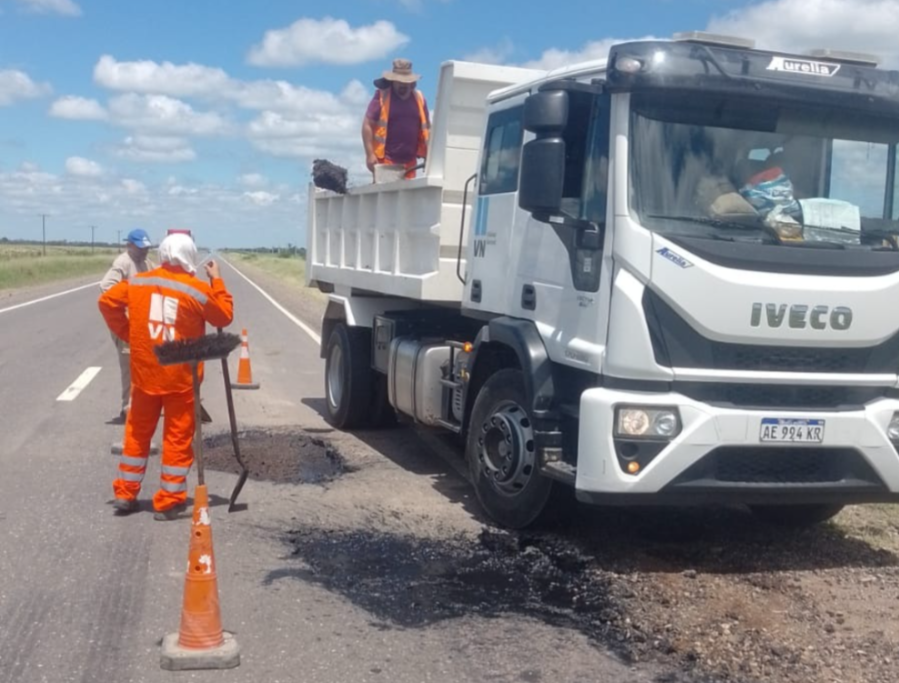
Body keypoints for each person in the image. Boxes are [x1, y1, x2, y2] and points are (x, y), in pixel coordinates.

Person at [98, 233, 234, 520]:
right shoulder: (196, 290)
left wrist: (128, 333)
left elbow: (107, 301)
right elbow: (223, 316)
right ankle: (169, 500)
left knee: (137, 434)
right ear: (190, 257)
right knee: (176, 439)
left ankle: (125, 493)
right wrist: (217, 281)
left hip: (145, 376)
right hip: (181, 380)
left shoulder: (138, 282)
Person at [99, 228, 154, 424]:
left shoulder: (147, 263)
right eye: (140, 248)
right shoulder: (123, 263)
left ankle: (142, 404)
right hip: (126, 325)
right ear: (129, 245)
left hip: (142, 324)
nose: (144, 251)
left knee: (144, 365)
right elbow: (106, 287)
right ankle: (127, 408)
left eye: (146, 248)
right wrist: (130, 300)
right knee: (129, 367)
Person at [362, 58, 431, 180]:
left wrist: (429, 153)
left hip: (410, 162)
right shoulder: (382, 96)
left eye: (406, 82)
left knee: (408, 192)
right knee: (388, 191)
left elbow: (427, 128)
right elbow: (367, 125)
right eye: (399, 82)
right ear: (392, 81)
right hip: (386, 160)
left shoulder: (419, 98)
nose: (403, 85)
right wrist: (370, 154)